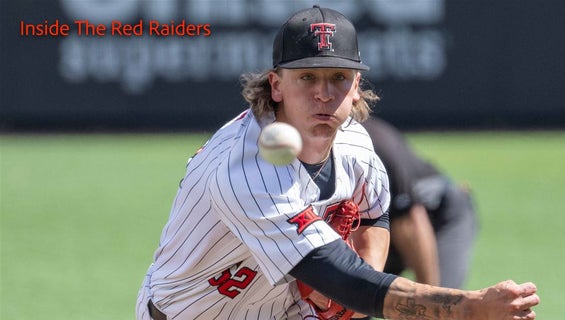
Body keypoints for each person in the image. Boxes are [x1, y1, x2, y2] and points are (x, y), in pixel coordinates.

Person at [136, 5, 539, 320]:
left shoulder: (356, 147)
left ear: (357, 86)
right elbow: (347, 281)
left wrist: (356, 290)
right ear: (276, 85)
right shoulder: (246, 173)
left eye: (338, 77)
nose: (325, 93)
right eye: (307, 78)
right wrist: (467, 308)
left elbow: (374, 218)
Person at [362, 116, 478, 289]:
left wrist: (430, 301)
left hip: (439, 217)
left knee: (443, 307)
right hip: (384, 226)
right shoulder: (317, 142)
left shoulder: (372, 143)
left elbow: (410, 223)